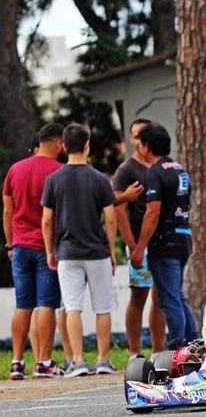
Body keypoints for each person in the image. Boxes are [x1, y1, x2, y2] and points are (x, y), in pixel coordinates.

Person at [41, 123, 119, 378]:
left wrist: (50, 249)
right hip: (97, 251)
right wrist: (111, 250)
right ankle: (104, 359)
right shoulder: (99, 179)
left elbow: (46, 220)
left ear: (63, 146)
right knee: (103, 307)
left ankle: (78, 360)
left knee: (72, 306)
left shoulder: (53, 180)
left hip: (67, 250)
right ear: (87, 145)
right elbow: (109, 218)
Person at [3, 124, 66, 379]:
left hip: (19, 246)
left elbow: (8, 211)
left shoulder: (14, 169)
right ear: (59, 143)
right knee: (47, 304)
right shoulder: (59, 172)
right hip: (46, 246)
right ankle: (44, 362)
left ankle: (17, 362)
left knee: (23, 305)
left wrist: (10, 243)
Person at [131, 123, 197, 349]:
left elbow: (153, 212)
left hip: (164, 244)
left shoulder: (155, 173)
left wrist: (140, 247)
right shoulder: (180, 169)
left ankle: (180, 346)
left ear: (147, 147)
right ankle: (192, 340)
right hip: (184, 238)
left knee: (169, 300)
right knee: (177, 296)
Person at [112, 118, 166, 361]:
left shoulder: (160, 166)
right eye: (135, 135)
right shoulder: (127, 170)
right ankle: (135, 352)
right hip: (138, 242)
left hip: (162, 242)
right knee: (139, 295)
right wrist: (133, 246)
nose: (140, 139)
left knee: (161, 296)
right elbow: (117, 208)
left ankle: (158, 351)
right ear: (132, 140)